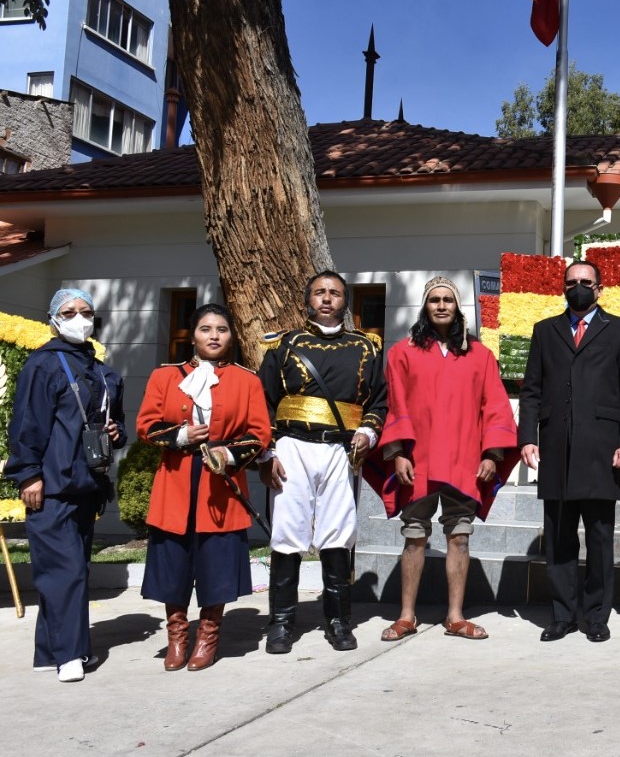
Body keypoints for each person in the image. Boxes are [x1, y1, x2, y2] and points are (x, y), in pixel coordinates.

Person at [374, 277, 518, 642]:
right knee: (414, 537)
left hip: (464, 458)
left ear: (458, 307)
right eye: (435, 300)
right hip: (417, 460)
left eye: (448, 300)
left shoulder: (480, 355)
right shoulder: (402, 353)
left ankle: (455, 616)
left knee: (460, 536)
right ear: (426, 306)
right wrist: (397, 454)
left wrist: (492, 453)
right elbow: (395, 405)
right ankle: (407, 615)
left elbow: (495, 405)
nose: (441, 305)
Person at [257, 270, 387, 654]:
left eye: (334, 293)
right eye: (319, 292)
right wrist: (268, 452)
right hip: (292, 447)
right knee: (287, 534)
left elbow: (379, 400)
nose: (327, 298)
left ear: (345, 301)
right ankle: (281, 624)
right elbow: (263, 400)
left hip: (340, 451)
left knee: (337, 533)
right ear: (307, 299)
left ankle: (337, 621)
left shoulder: (367, 347)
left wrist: (368, 431)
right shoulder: (284, 345)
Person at [137, 303, 272, 671]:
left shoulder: (248, 380)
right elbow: (146, 426)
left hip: (221, 485)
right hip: (176, 480)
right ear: (192, 334)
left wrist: (228, 454)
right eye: (206, 329)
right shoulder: (164, 377)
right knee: (174, 565)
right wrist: (179, 435)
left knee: (217, 565)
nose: (214, 336)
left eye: (222, 330)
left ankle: (208, 637)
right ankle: (177, 637)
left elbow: (259, 433)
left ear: (231, 336)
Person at [519, 260, 620, 643]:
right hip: (556, 449)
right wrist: (527, 437)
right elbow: (532, 390)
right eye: (571, 282)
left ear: (600, 289)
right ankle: (562, 615)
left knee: (601, 539)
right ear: (563, 288)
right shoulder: (545, 330)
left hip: (602, 451)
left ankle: (596, 616)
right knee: (558, 538)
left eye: (585, 282)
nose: (578, 288)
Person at [8, 288, 125, 682]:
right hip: (52, 484)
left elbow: (118, 427)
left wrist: (115, 430)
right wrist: (28, 474)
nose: (80, 318)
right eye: (70, 311)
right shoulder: (43, 365)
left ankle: (50, 651)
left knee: (71, 570)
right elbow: (27, 423)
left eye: (86, 311)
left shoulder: (103, 371)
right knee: (65, 572)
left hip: (88, 483)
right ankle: (69, 655)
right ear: (54, 319)